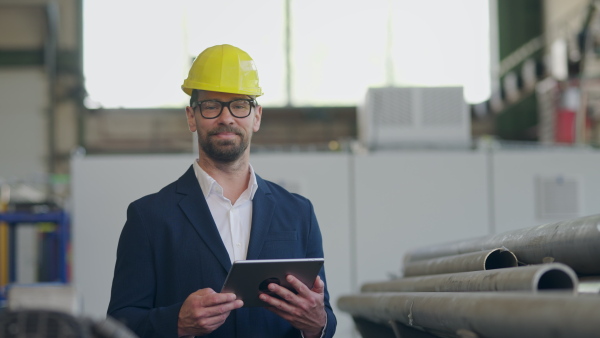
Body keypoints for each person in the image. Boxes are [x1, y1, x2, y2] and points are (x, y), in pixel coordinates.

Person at [107, 44, 337, 338]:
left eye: (239, 104)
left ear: (256, 116)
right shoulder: (149, 217)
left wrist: (317, 323)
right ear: (192, 117)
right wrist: (175, 322)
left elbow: (324, 318)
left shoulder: (298, 213)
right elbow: (118, 326)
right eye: (211, 105)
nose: (226, 118)